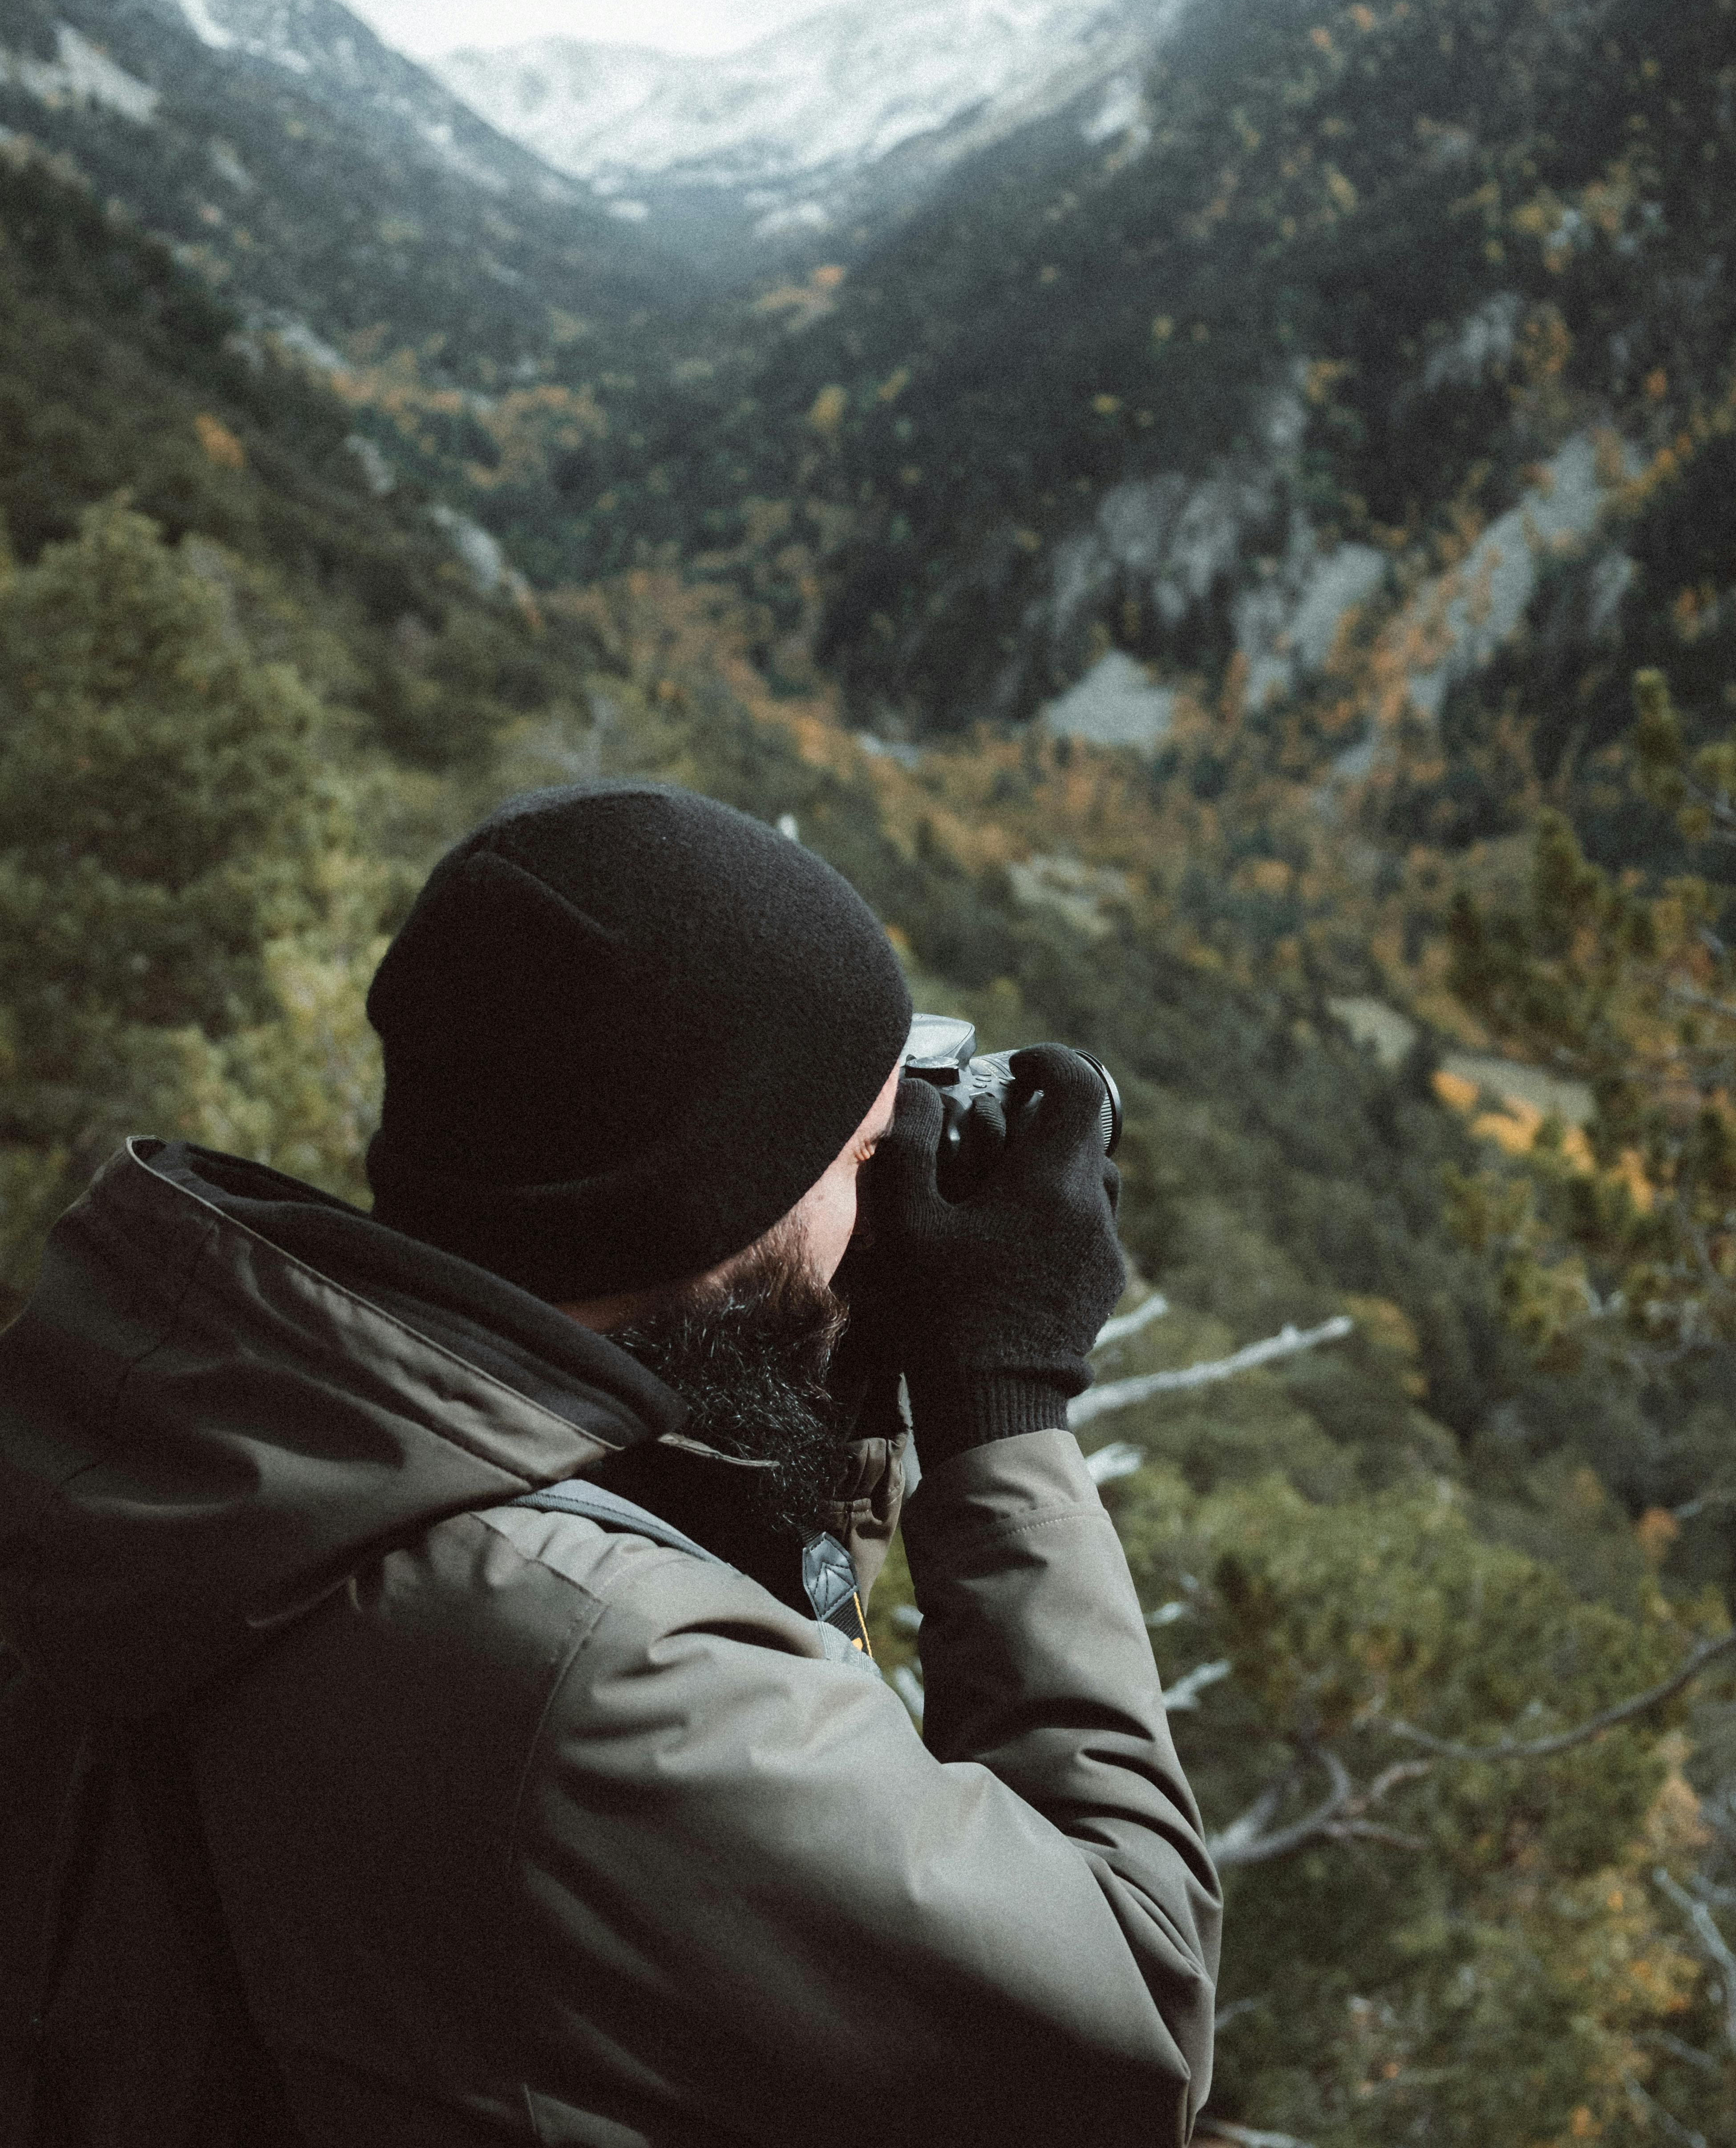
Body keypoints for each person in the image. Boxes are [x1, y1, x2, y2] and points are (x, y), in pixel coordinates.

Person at [0, 782, 1221, 2148]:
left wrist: (812, 1362)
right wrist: (1006, 1414)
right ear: (710, 1205)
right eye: (870, 1150)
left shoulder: (167, 1411)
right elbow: (1128, 2019)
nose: (891, 1188)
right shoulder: (605, 1679)